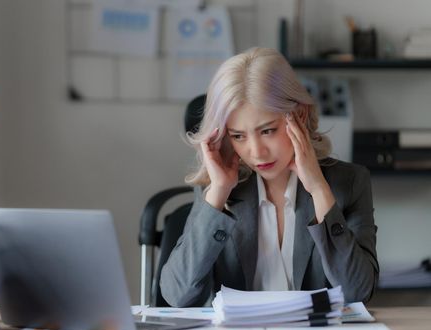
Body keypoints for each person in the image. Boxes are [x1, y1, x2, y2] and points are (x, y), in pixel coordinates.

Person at [160, 47, 378, 307]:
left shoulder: (350, 182)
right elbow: (177, 296)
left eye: (267, 131)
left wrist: (319, 190)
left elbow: (358, 292)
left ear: (300, 115)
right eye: (238, 136)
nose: (256, 152)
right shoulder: (218, 189)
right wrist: (218, 191)